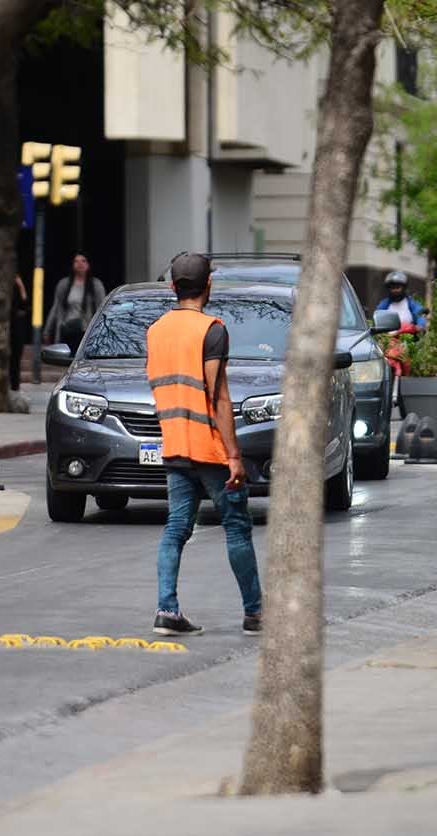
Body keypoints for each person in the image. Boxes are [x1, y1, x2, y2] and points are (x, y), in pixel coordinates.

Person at [145, 252, 262, 637]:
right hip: (209, 448)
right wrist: (232, 455)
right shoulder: (212, 329)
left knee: (176, 527)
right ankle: (255, 614)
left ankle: (167, 610)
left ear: (173, 287)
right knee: (236, 526)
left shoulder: (156, 330)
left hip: (174, 445)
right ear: (208, 285)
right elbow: (219, 398)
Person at [45, 253, 107, 354]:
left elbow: (103, 309)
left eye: (83, 261)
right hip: (67, 330)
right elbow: (56, 308)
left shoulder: (96, 285)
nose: (80, 264)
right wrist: (47, 331)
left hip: (86, 332)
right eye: (76, 261)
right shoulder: (64, 284)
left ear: (88, 265)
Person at [10, 274, 30, 391]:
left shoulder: (17, 285)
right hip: (6, 327)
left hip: (16, 327)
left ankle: (15, 386)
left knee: (15, 359)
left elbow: (25, 305)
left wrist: (21, 286)